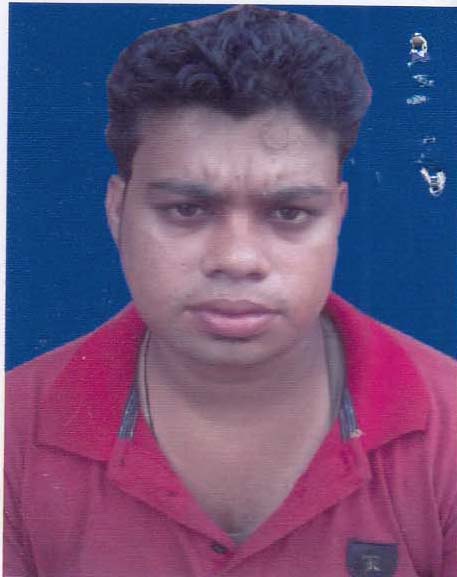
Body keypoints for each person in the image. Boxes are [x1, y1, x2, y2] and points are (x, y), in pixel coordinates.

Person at [4, 6, 456, 577]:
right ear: (118, 211)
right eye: (186, 209)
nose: (237, 259)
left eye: (289, 212)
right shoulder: (12, 430)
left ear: (338, 215)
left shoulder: (448, 427)